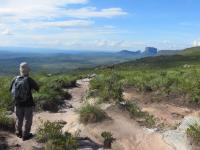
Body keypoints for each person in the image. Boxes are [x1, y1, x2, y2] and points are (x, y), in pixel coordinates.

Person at [10, 62, 39, 141]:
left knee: (19, 119)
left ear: (20, 70)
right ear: (28, 71)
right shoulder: (29, 80)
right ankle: (25, 135)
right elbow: (37, 88)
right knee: (27, 119)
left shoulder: (15, 79)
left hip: (17, 103)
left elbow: (11, 90)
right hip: (28, 104)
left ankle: (18, 132)